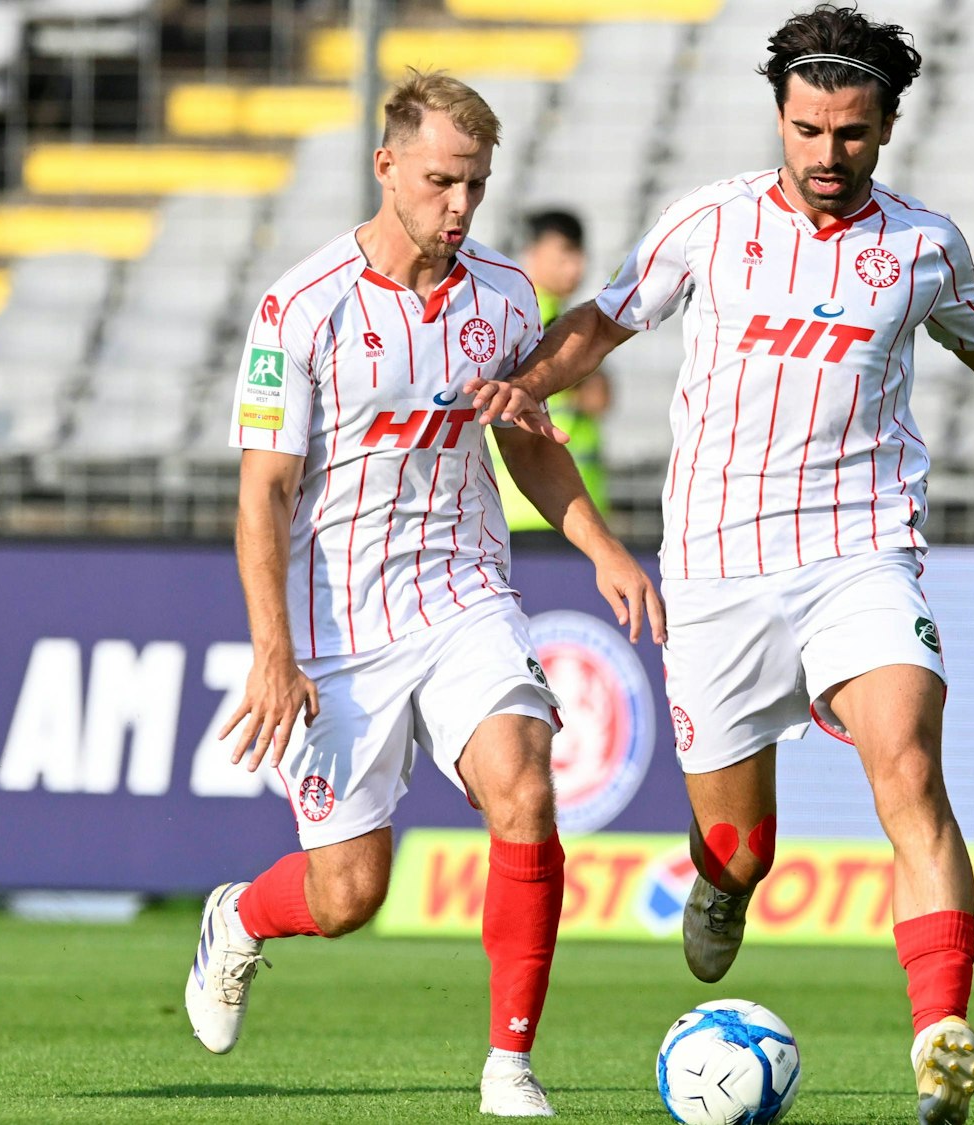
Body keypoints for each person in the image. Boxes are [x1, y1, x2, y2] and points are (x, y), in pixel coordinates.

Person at [470, 6, 974, 1122]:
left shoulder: (921, 247)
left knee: (908, 768)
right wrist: (524, 382)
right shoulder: (708, 226)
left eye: (852, 135)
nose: (828, 156)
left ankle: (940, 1040)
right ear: (780, 116)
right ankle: (722, 890)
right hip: (717, 574)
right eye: (810, 130)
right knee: (735, 847)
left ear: (885, 129)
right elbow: (602, 323)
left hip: (857, 555)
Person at [183, 70, 664, 1119]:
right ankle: (238, 921)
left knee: (526, 787)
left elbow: (525, 442)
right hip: (337, 628)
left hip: (464, 596)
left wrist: (598, 546)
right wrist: (273, 651)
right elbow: (263, 494)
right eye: (442, 181)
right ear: (386, 166)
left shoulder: (501, 294)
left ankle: (508, 1067)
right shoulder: (298, 309)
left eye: (476, 186)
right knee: (349, 895)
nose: (458, 206)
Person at [491, 209, 613, 531]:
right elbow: (598, 396)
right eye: (565, 254)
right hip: (539, 507)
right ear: (531, 253)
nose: (576, 267)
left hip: (557, 506)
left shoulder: (556, 315)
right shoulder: (532, 319)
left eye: (579, 255)